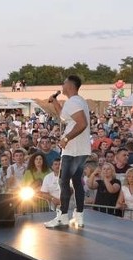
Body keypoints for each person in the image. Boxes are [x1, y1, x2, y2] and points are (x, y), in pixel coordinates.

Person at [45, 75, 91, 229]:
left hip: (73, 150)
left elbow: (82, 123)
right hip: (81, 149)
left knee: (63, 182)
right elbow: (64, 118)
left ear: (70, 86)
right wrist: (55, 102)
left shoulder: (73, 102)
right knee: (77, 182)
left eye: (64, 83)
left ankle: (63, 216)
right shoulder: (78, 101)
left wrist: (66, 138)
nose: (62, 86)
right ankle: (79, 215)